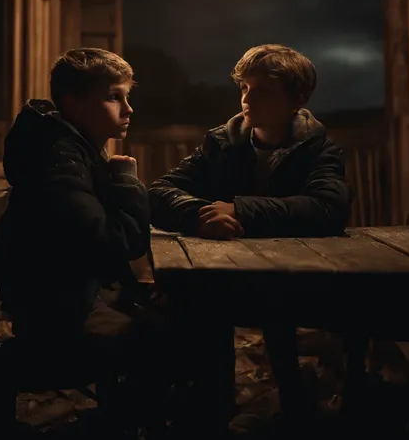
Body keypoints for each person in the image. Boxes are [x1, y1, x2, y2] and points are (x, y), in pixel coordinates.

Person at [0, 48, 232, 437]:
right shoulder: (59, 160)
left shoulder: (69, 149)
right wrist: (126, 180)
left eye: (127, 96)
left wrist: (132, 288)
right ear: (73, 103)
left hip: (71, 299)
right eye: (114, 97)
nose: (128, 109)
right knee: (198, 338)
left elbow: (89, 246)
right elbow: (116, 241)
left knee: (196, 316)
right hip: (61, 318)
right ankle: (131, 421)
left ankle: (133, 417)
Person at [149, 43, 352, 420]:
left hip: (295, 275)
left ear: (298, 98)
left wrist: (240, 208)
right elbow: (158, 191)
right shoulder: (222, 142)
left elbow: (328, 207)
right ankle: (213, 411)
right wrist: (195, 214)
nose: (247, 98)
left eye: (263, 90)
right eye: (244, 87)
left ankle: (300, 409)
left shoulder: (316, 147)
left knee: (301, 353)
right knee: (201, 314)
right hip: (227, 273)